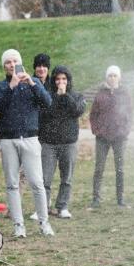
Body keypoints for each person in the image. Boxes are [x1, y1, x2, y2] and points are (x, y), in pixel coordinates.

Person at [0, 49, 54, 238]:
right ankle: (19, 225)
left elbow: (47, 102)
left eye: (15, 61)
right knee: (12, 184)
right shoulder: (0, 87)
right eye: (8, 62)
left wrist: (33, 83)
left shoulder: (31, 84)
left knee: (37, 182)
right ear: (4, 66)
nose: (12, 65)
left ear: (21, 63)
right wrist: (11, 86)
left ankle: (44, 222)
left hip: (30, 138)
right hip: (9, 139)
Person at [38, 65, 85, 219]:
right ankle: (43, 208)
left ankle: (63, 206)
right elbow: (46, 114)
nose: (60, 82)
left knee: (67, 178)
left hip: (68, 143)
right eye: (57, 79)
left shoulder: (76, 96)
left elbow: (77, 111)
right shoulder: (48, 96)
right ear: (53, 81)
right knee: (46, 179)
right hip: (49, 143)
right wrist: (57, 97)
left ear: (68, 80)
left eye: (64, 79)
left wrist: (65, 96)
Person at [90, 65, 132, 209]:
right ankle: (96, 198)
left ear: (119, 77)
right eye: (110, 75)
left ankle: (120, 199)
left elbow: (129, 114)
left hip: (119, 137)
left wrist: (125, 131)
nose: (112, 78)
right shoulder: (100, 93)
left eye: (115, 75)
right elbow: (93, 114)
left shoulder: (124, 93)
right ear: (106, 77)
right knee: (99, 168)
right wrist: (96, 130)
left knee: (120, 169)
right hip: (102, 137)